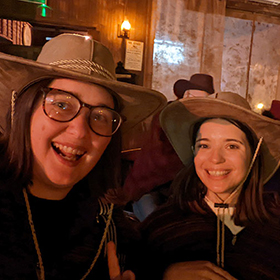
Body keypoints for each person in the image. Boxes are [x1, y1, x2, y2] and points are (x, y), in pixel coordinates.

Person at [0, 33, 166, 280]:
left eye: (99, 116)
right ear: (24, 108)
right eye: (62, 105)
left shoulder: (109, 226)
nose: (79, 132)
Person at [139, 92, 280, 280]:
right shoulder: (159, 226)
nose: (215, 159)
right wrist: (165, 274)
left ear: (253, 154)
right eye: (204, 146)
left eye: (232, 146)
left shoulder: (275, 221)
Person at [123, 73, 215, 221]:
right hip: (150, 185)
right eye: (192, 97)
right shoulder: (168, 116)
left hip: (182, 189)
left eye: (201, 100)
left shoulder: (204, 122)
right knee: (155, 224)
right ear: (186, 96)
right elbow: (162, 156)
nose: (195, 103)